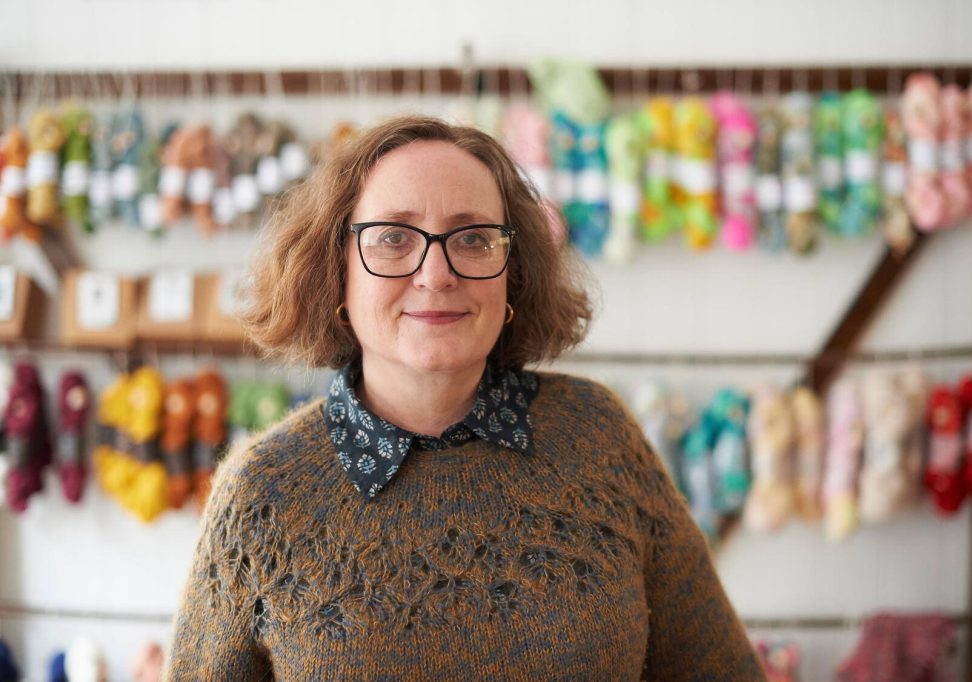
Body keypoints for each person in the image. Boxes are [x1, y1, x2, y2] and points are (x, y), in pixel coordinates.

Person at [164, 115, 765, 681]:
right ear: (336, 272)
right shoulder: (264, 493)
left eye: (474, 238)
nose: (435, 273)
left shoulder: (596, 435)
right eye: (394, 237)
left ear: (513, 274)